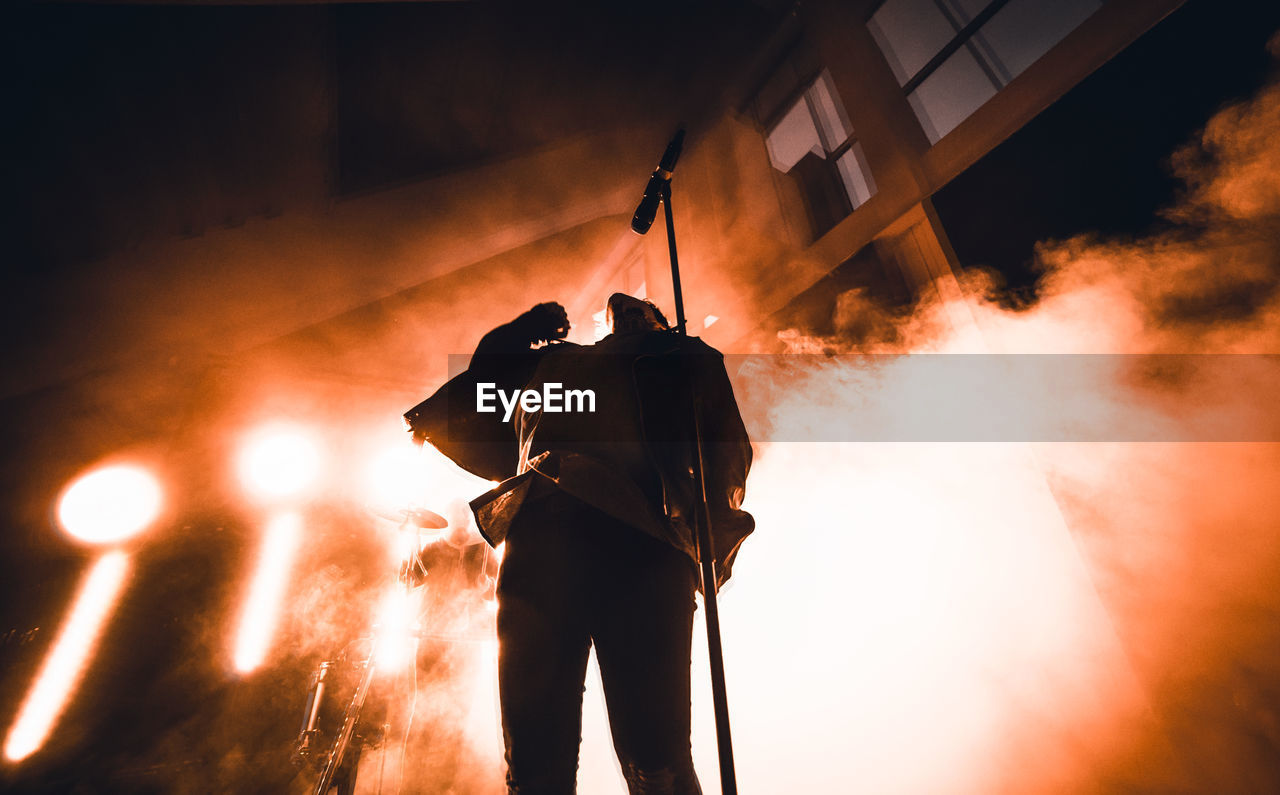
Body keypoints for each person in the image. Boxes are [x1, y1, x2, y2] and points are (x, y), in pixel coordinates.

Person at [407, 294, 753, 794]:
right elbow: (489, 378)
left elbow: (728, 456)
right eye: (620, 311)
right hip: (544, 541)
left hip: (643, 547)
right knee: (535, 744)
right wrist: (520, 328)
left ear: (665, 322)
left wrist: (708, 548)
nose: (629, 311)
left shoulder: (685, 358)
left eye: (644, 309)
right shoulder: (557, 362)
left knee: (655, 748)